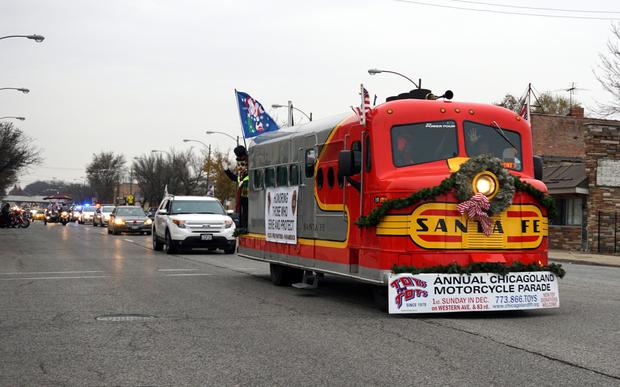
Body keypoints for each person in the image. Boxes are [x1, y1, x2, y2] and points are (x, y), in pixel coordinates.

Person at [225, 145, 249, 230]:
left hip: (249, 193)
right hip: (242, 193)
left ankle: (245, 226)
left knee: (246, 210)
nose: (240, 166)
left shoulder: (250, 167)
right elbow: (235, 178)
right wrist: (227, 171)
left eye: (242, 164)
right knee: (242, 211)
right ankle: (243, 226)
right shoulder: (241, 173)